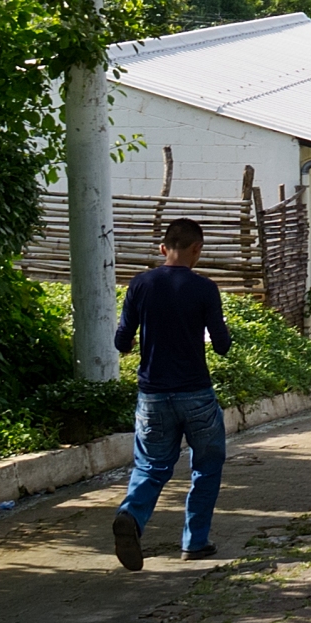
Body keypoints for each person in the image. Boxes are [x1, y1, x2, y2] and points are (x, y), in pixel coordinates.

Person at [110, 217, 232, 570]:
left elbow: (122, 340)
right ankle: (195, 542)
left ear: (163, 249)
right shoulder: (205, 288)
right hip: (196, 394)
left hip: (152, 396)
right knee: (207, 467)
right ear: (197, 249)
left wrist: (135, 339)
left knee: (151, 466)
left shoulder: (140, 284)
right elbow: (221, 345)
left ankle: (131, 516)